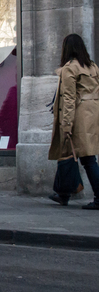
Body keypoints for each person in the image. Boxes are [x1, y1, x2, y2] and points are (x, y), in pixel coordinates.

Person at [47, 34, 99, 209]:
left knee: (86, 158)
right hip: (92, 115)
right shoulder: (92, 67)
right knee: (70, 153)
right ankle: (63, 194)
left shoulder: (70, 68)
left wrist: (66, 124)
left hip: (78, 116)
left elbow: (69, 98)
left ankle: (97, 197)